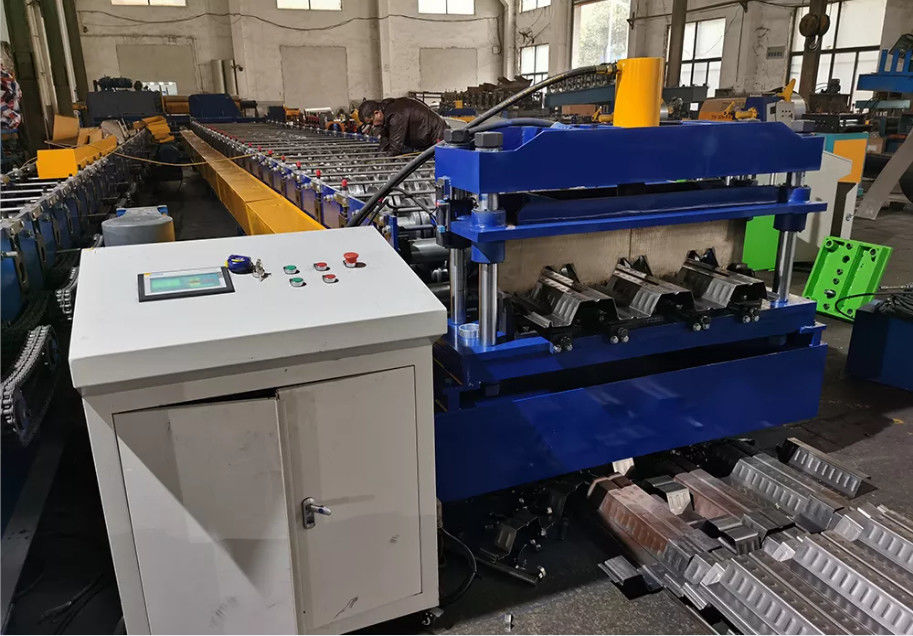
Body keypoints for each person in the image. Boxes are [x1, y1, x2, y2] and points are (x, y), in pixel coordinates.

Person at [358, 97, 447, 156]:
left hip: (437, 136)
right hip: (424, 139)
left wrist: (382, 160)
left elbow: (395, 148)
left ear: (377, 113)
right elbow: (385, 139)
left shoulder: (395, 115)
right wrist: (378, 154)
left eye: (371, 122)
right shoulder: (386, 112)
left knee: (441, 164)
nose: (374, 126)